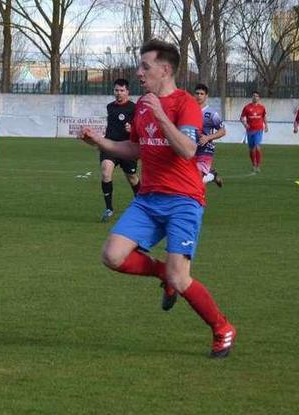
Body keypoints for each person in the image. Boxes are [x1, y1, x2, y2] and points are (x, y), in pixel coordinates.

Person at [79, 39, 235, 358]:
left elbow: (189, 150)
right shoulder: (142, 107)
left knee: (181, 278)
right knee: (112, 256)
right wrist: (101, 142)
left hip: (183, 200)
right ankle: (164, 274)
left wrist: (162, 116)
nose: (139, 72)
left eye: (145, 67)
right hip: (149, 200)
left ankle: (222, 328)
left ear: (165, 70)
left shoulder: (185, 104)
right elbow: (135, 149)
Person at [99, 78, 140, 222]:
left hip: (127, 147)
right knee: (105, 170)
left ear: (127, 91)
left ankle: (141, 202)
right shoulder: (110, 107)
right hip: (110, 146)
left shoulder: (134, 108)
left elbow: (140, 127)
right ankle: (109, 208)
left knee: (132, 178)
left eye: (122, 90)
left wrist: (133, 129)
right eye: (116, 90)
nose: (119, 93)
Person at [194, 84, 225, 187]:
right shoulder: (189, 110)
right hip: (190, 148)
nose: (199, 96)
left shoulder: (211, 113)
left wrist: (208, 137)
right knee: (189, 178)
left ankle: (198, 202)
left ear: (206, 96)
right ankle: (212, 175)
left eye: (202, 94)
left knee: (197, 180)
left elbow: (222, 131)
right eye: (197, 93)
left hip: (206, 149)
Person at [239, 91, 267, 173]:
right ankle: (254, 164)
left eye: (257, 96)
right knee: (251, 149)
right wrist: (245, 124)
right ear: (252, 97)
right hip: (250, 131)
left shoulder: (262, 107)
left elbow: (264, 116)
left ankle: (258, 166)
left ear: (259, 98)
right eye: (254, 96)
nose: (255, 97)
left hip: (259, 130)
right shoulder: (247, 107)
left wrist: (266, 126)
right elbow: (241, 118)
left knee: (257, 147)